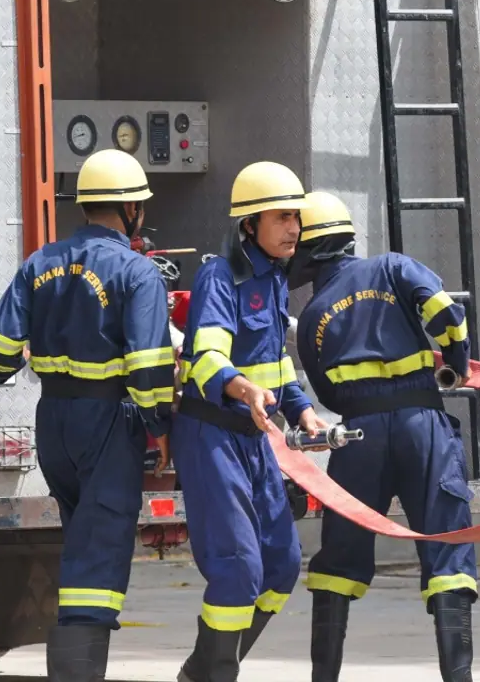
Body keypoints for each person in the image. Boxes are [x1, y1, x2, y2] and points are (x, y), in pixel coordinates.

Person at [0, 148, 176, 680]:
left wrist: (4, 371)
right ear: (132, 210)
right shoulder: (136, 272)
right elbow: (150, 366)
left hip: (54, 422)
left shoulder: (39, 262)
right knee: (99, 552)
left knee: (80, 537)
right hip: (108, 423)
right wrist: (160, 428)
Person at [287, 191, 478, 682]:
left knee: (340, 557)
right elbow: (445, 313)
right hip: (422, 428)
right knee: (446, 549)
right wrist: (455, 364)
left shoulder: (311, 320)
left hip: (357, 437)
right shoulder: (393, 267)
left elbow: (328, 391)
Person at [171, 161, 328, 682]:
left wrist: (302, 410)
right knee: (238, 571)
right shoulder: (221, 276)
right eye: (281, 218)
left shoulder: (276, 278)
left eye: (296, 219)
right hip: (212, 435)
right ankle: (214, 675)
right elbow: (208, 359)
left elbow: (275, 362)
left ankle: (202, 668)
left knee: (280, 568)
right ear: (249, 225)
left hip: (254, 441)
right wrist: (246, 390)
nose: (293, 229)